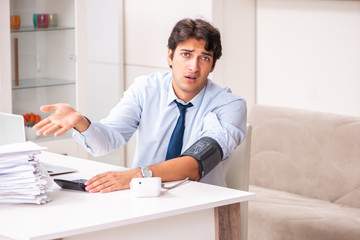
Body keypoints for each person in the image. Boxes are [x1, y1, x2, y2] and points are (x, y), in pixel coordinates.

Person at [34, 18, 247, 193]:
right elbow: (106, 141)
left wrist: (135, 175)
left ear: (212, 66)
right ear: (170, 56)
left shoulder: (230, 105)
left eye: (204, 58)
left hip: (201, 205)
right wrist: (81, 122)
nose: (194, 66)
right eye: (186, 54)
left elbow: (195, 163)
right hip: (144, 199)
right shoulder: (146, 89)